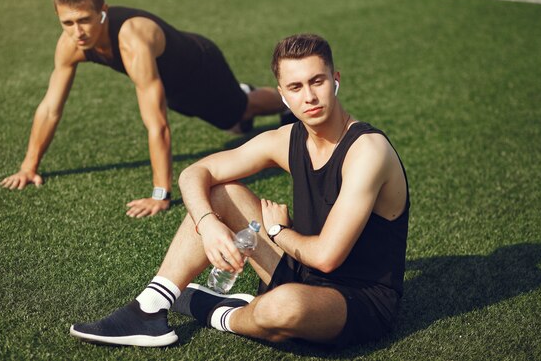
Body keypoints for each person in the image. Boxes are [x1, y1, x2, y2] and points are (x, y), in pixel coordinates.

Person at [69, 33, 409, 348]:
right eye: (295, 87)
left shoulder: (367, 151)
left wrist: (279, 232)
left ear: (335, 80)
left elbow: (326, 257)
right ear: (281, 95)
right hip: (301, 273)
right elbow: (194, 172)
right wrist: (209, 224)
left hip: (357, 300)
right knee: (220, 193)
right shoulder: (286, 140)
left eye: (317, 81)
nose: (308, 96)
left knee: (282, 307)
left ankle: (220, 312)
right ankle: (149, 308)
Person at [0, 0, 289, 218]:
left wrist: (160, 194)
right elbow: (51, 108)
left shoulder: (131, 41)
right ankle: (248, 95)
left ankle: (287, 101)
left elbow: (156, 124)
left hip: (200, 68)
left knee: (238, 114)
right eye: (68, 23)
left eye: (85, 20)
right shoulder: (70, 44)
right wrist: (29, 166)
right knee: (233, 123)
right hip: (169, 84)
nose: (78, 32)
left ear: (103, 11)